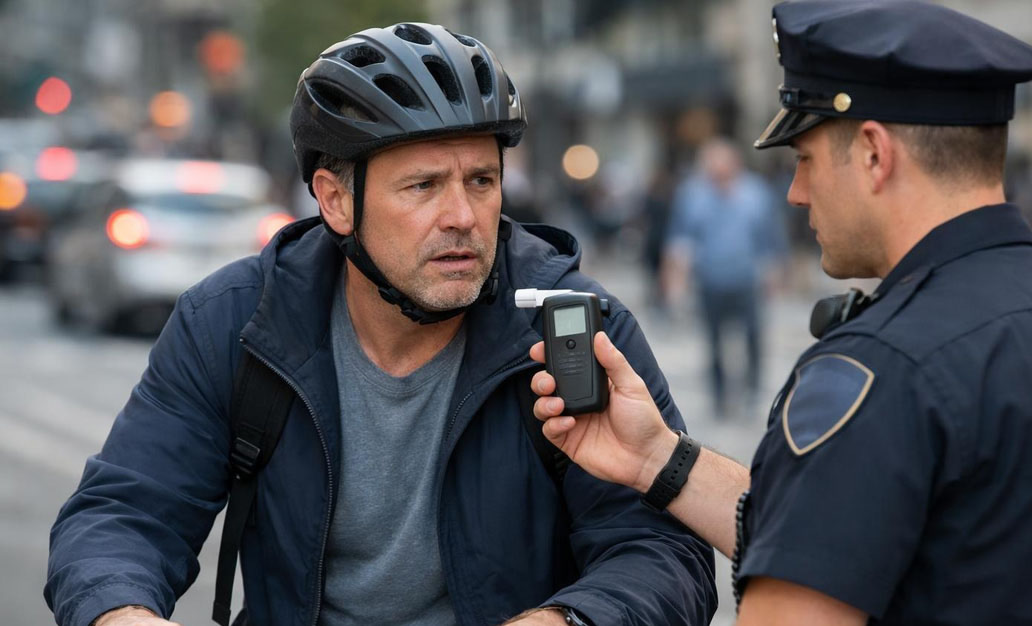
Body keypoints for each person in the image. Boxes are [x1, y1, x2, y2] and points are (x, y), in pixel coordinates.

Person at [45, 23, 716, 626]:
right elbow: (123, 516)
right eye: (423, 186)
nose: (463, 215)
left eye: (482, 181)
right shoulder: (233, 324)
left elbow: (660, 553)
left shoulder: (571, 329)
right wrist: (123, 615)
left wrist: (566, 621)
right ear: (336, 201)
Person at [530, 2, 1032, 624]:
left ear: (874, 153)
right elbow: (856, 540)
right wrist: (657, 457)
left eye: (806, 158)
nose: (794, 192)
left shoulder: (880, 371)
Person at [664, 138, 786, 416]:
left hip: (747, 280)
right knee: (714, 342)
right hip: (710, 281)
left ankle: (752, 392)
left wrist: (775, 274)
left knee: (753, 339)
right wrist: (675, 282)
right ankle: (720, 397)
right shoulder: (692, 194)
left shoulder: (756, 193)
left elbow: (770, 238)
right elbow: (680, 242)